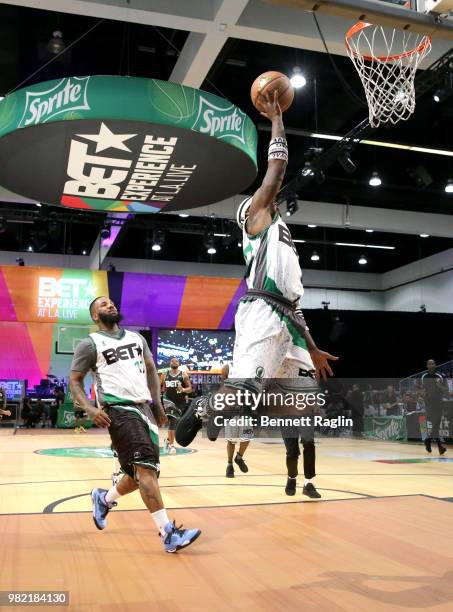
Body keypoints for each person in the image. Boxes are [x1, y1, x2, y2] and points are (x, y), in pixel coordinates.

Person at [176, 90, 338, 448]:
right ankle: (206, 406)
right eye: (263, 199)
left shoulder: (280, 232)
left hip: (288, 318)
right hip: (263, 310)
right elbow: (276, 171)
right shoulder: (256, 220)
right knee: (245, 390)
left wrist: (311, 346)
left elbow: (294, 305)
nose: (269, 199)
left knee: (295, 404)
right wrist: (277, 119)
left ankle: (226, 408)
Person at [69, 296, 201, 553]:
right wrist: (89, 408)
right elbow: (75, 380)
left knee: (137, 474)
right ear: (95, 316)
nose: (110, 306)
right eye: (103, 304)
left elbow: (151, 370)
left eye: (111, 303)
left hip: (144, 410)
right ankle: (168, 533)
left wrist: (158, 404)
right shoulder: (90, 344)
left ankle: (104, 499)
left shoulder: (137, 339)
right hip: (118, 411)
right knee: (146, 471)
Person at [221, 363, 252, 478]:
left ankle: (239, 457)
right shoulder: (230, 369)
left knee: (247, 437)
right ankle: (229, 465)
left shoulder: (249, 369)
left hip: (246, 410)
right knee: (231, 440)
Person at [160, 358, 192, 453]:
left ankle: (168, 440)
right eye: (172, 361)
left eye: (176, 361)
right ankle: (171, 446)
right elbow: (160, 387)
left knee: (176, 424)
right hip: (168, 400)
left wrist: (183, 390)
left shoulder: (183, 374)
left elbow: (190, 389)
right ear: (169, 364)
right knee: (172, 421)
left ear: (179, 364)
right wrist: (159, 398)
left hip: (180, 402)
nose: (174, 362)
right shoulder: (164, 374)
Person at [421, 359, 448, 455]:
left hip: (439, 403)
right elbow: (422, 390)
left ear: (435, 365)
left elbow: (446, 389)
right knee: (435, 424)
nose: (432, 365)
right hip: (429, 404)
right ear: (427, 366)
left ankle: (427, 440)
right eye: (429, 364)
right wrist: (423, 395)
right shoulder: (424, 376)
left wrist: (439, 386)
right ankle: (440, 447)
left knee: (436, 424)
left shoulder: (440, 376)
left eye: (433, 363)